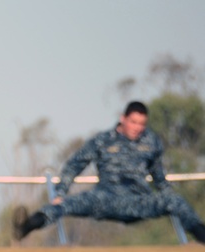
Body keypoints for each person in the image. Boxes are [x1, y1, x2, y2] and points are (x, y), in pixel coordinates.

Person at [13, 101, 205, 243]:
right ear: (123, 118)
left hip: (139, 201)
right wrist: (61, 192)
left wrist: (167, 194)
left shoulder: (152, 142)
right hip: (105, 199)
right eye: (133, 122)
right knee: (64, 204)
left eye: (142, 124)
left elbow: (159, 177)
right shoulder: (102, 140)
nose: (137, 128)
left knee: (176, 201)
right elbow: (75, 164)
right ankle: (25, 227)